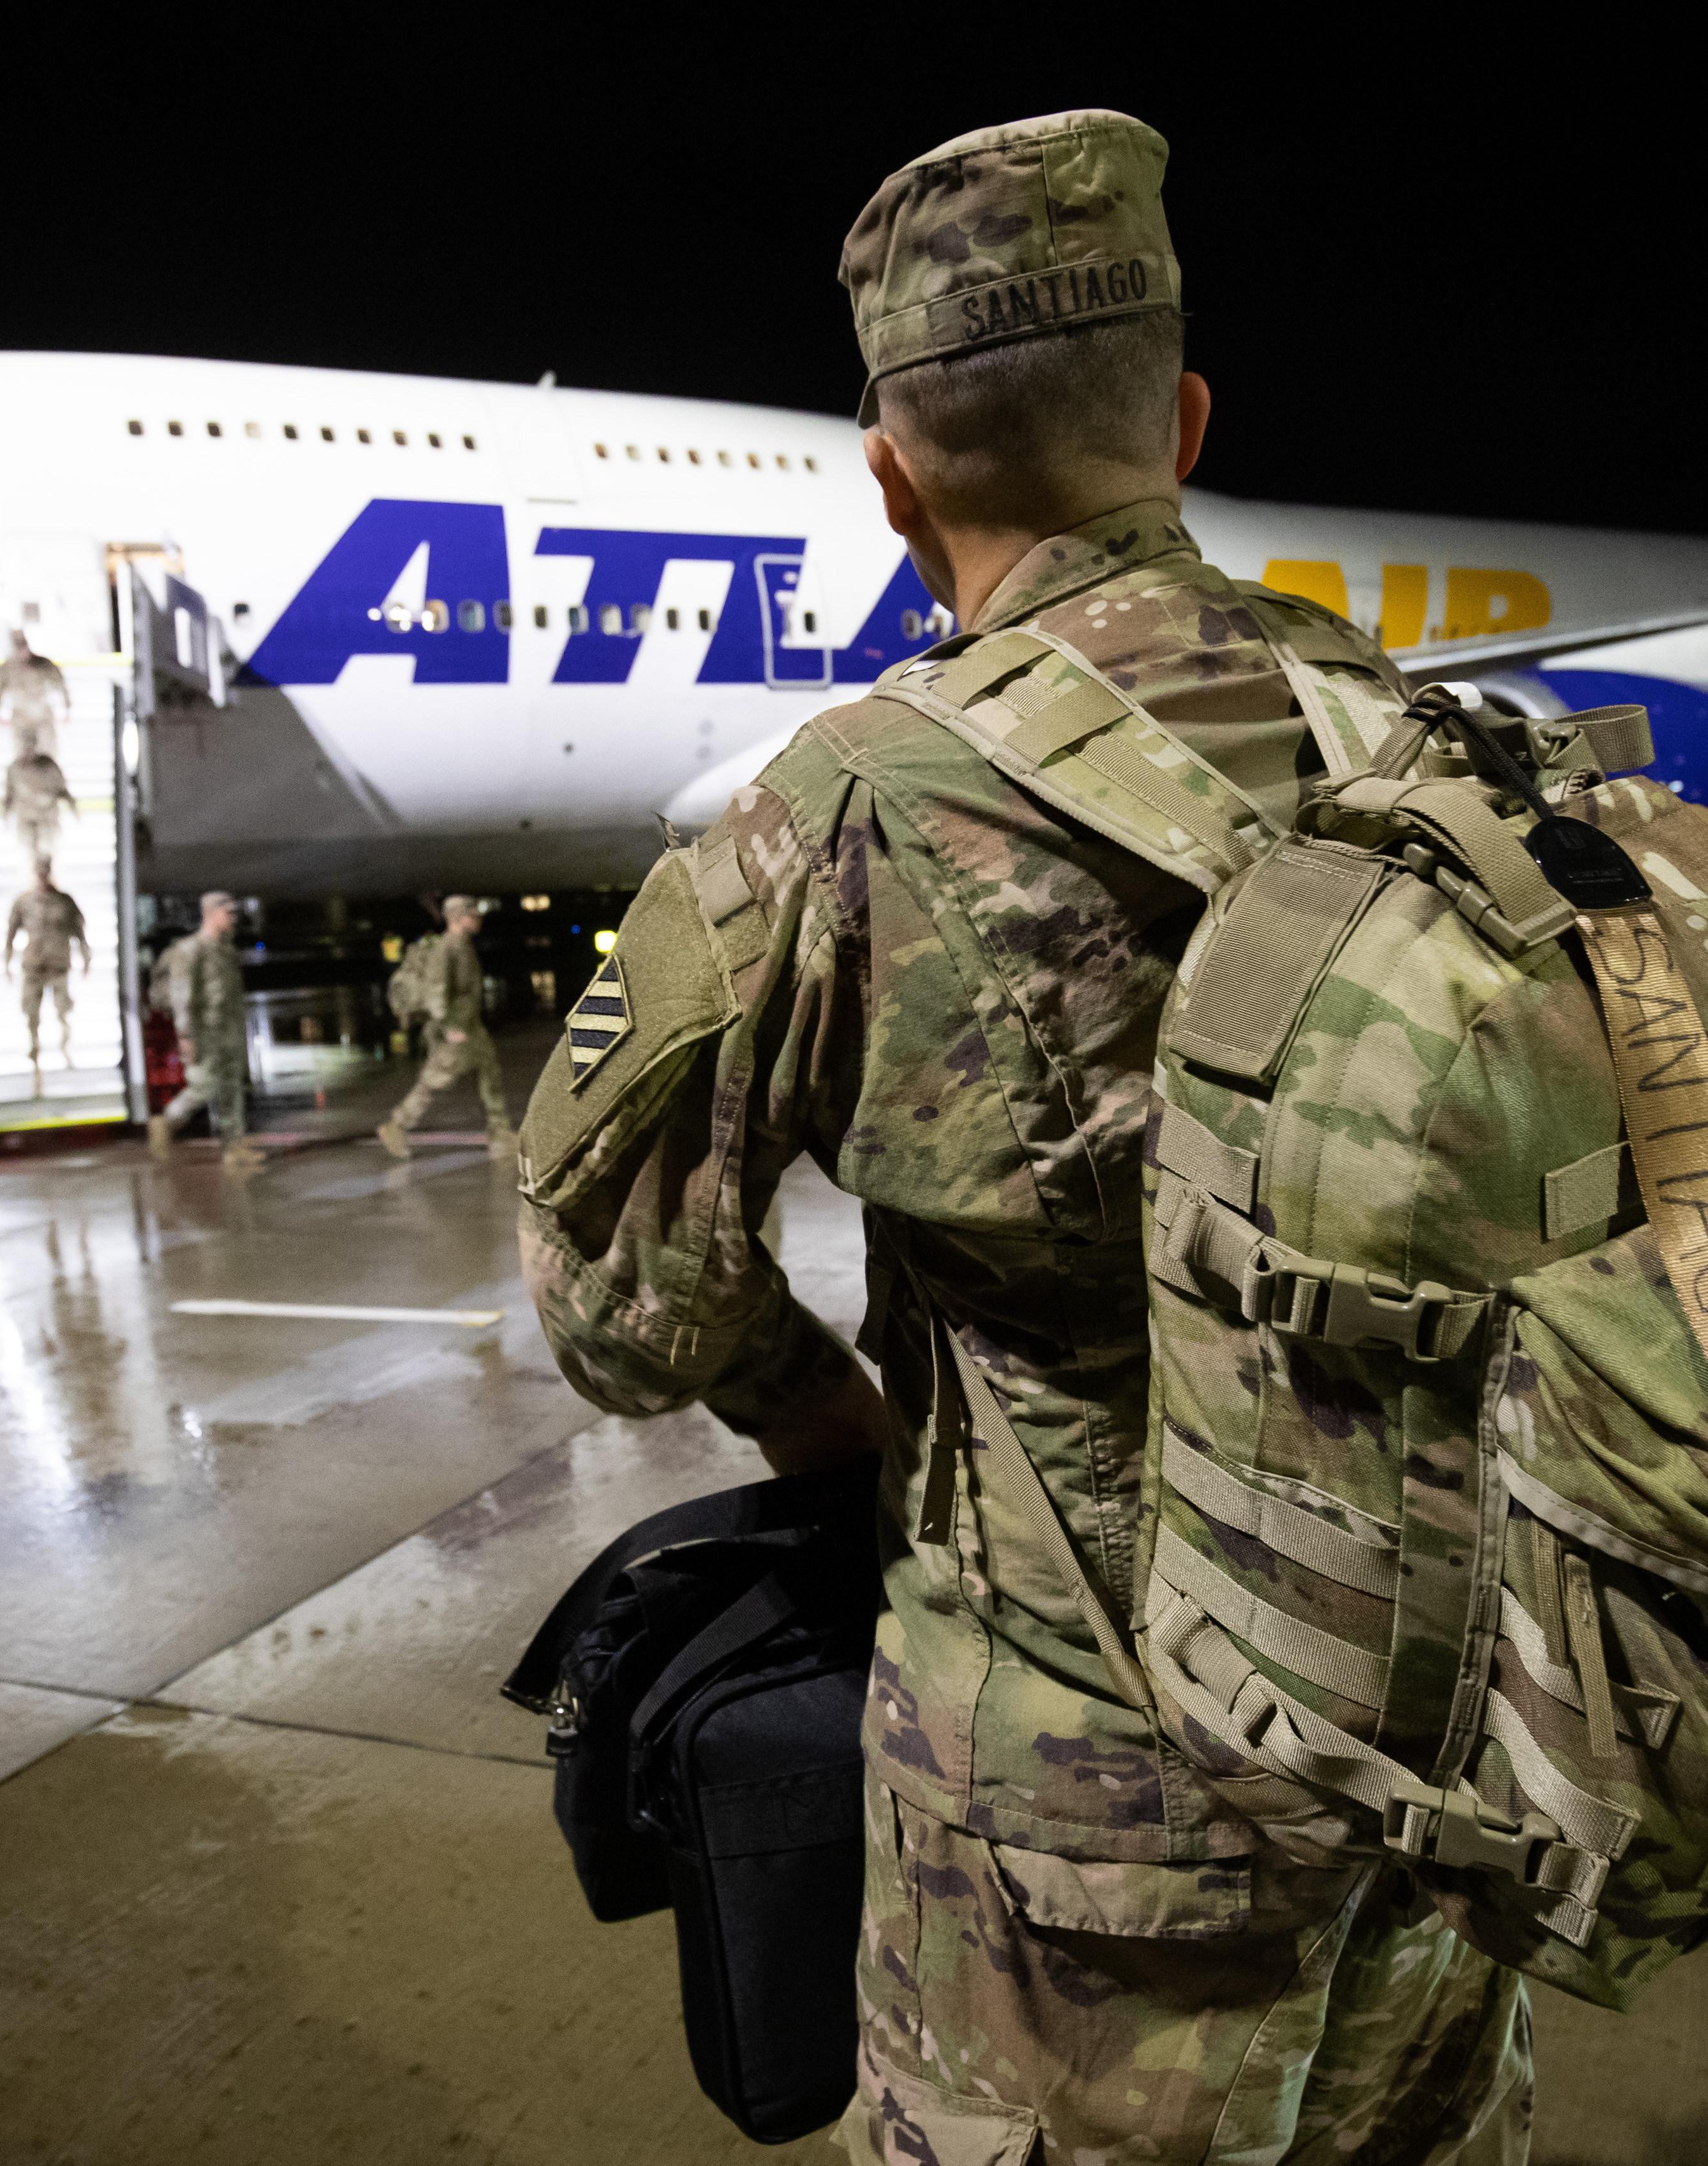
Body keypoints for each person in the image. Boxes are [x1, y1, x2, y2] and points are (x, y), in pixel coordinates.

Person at [518, 113, 1525, 2163]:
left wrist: (812, 1408)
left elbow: (612, 1284)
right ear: (1183, 416)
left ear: (890, 479)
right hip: (1437, 1769)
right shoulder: (1438, 756)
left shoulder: (857, 808)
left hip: (1075, 1840)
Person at [376, 895, 514, 1160]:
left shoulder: (464, 945)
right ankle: (397, 1126)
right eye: (473, 915)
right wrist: (448, 1027)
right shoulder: (447, 948)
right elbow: (436, 992)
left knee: (490, 1071)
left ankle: (500, 1131)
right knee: (435, 1079)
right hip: (456, 1028)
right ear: (458, 918)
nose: (478, 919)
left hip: (471, 1026)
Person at [150, 890, 257, 1174]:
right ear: (211, 913)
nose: (233, 919)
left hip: (228, 1029)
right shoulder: (190, 950)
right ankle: (167, 1122)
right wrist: (186, 1036)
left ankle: (234, 1149)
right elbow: (182, 996)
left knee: (232, 1088)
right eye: (229, 913)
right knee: (203, 1086)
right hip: (204, 1032)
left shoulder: (225, 949)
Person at [4, 858, 91, 1075]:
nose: (43, 875)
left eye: (46, 871)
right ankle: (34, 1051)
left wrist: (86, 958)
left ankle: (66, 1049)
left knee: (64, 1011)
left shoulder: (65, 902)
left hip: (59, 964)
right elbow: (11, 933)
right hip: (34, 965)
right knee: (32, 1012)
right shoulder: (24, 902)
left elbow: (80, 932)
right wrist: (6, 962)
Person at [0, 627, 68, 765]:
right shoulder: (7, 668)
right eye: (18, 645)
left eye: (24, 644)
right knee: (22, 759)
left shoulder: (44, 664)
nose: (23, 650)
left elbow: (61, 685)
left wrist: (66, 710)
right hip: (21, 718)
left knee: (48, 756)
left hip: (43, 716)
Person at [0, 747, 75, 870]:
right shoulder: (15, 769)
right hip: (26, 816)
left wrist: (73, 807)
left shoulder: (48, 765)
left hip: (46, 816)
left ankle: (46, 868)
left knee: (47, 844)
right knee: (28, 845)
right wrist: (5, 814)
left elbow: (62, 789)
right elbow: (8, 794)